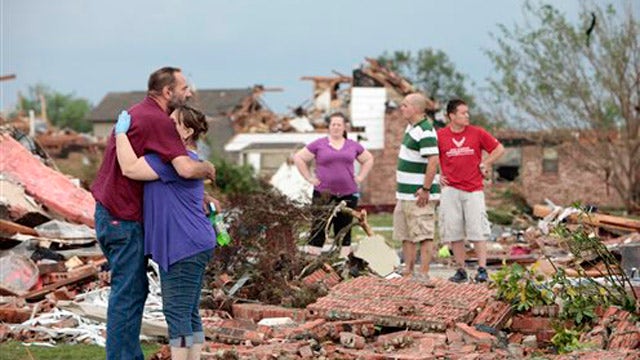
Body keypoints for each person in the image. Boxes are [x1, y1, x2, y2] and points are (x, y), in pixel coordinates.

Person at [90, 66, 216, 360]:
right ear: (168, 92)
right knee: (138, 296)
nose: (189, 93)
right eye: (184, 88)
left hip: (119, 217)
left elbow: (176, 177)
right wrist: (209, 170)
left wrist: (120, 133)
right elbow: (176, 168)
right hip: (125, 219)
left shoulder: (138, 114)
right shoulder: (159, 123)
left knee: (145, 297)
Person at [114, 106, 215, 360]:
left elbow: (129, 168)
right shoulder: (186, 158)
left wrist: (120, 134)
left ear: (187, 131)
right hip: (194, 241)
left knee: (176, 312)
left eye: (173, 123)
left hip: (184, 244)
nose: (165, 126)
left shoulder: (170, 159)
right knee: (189, 311)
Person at [437, 99, 504, 283]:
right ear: (452, 116)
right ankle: (461, 270)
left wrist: (486, 162)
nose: (467, 116)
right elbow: (431, 158)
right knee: (454, 232)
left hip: (473, 189)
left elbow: (499, 149)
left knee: (478, 231)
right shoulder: (440, 136)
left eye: (467, 113)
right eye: (463, 113)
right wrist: (437, 176)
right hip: (450, 190)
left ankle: (482, 269)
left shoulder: (477, 133)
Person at [293, 112, 374, 257]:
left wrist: (360, 177)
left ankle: (342, 263)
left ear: (344, 127)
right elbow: (299, 157)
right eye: (333, 124)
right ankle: (312, 265)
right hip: (323, 195)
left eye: (339, 124)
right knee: (318, 229)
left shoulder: (352, 145)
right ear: (329, 127)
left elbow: (368, 159)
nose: (336, 127)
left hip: (348, 194)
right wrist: (309, 178)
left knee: (344, 230)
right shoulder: (319, 144)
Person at [393, 93, 440, 281]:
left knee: (423, 233)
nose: (401, 108)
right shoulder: (411, 128)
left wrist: (426, 189)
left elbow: (433, 160)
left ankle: (424, 272)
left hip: (420, 194)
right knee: (406, 233)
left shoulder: (426, 131)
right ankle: (409, 270)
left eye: (404, 105)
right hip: (404, 194)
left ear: (415, 108)